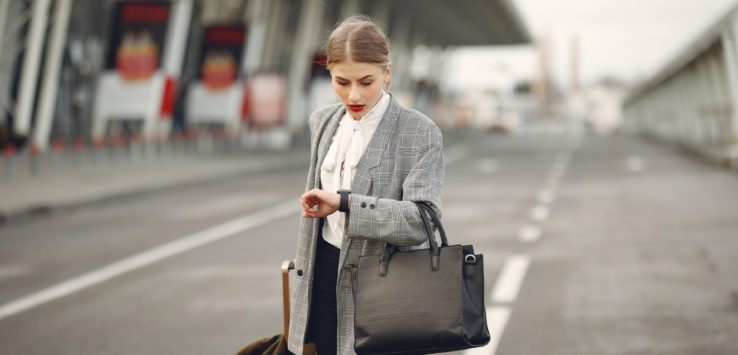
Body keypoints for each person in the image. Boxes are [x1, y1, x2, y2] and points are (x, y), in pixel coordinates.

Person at [288, 15, 445, 355]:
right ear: (329, 73)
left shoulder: (419, 131)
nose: (354, 94)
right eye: (342, 82)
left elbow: (421, 221)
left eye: (366, 81)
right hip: (322, 275)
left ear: (387, 73)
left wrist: (346, 202)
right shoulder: (323, 121)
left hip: (385, 284)